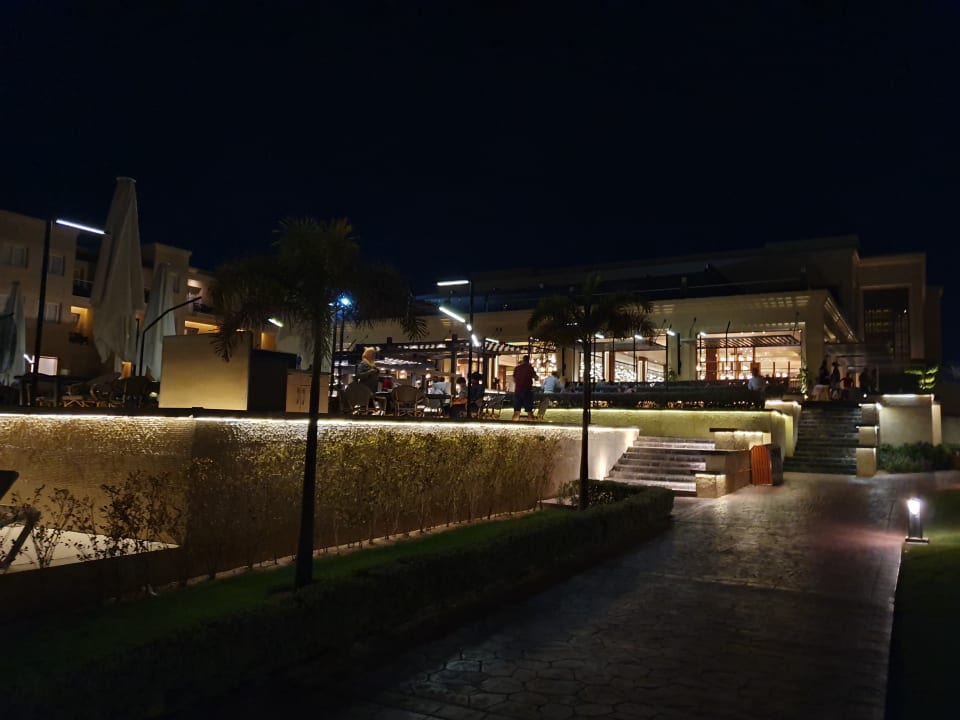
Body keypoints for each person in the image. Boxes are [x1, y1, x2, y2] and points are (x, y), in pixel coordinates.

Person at [512, 354, 539, 421]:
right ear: (528, 360)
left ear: (523, 360)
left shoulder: (517, 368)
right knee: (529, 411)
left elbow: (514, 379)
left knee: (516, 411)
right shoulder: (530, 368)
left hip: (518, 391)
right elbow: (536, 378)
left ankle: (514, 424)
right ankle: (531, 424)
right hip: (527, 391)